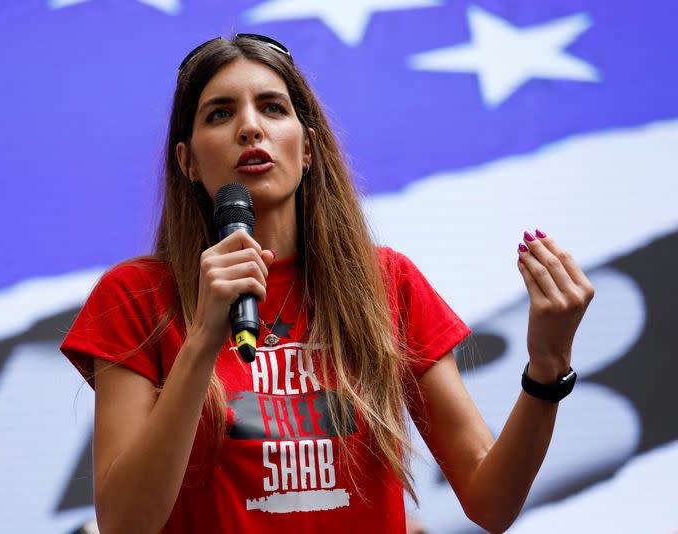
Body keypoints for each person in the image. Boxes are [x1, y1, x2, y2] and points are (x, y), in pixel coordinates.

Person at [60, 34, 594, 533]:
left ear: (308, 148)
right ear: (188, 161)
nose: (250, 128)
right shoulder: (134, 295)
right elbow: (125, 522)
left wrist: (547, 368)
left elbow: (491, 501)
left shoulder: (387, 282)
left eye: (272, 108)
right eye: (220, 114)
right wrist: (202, 337)